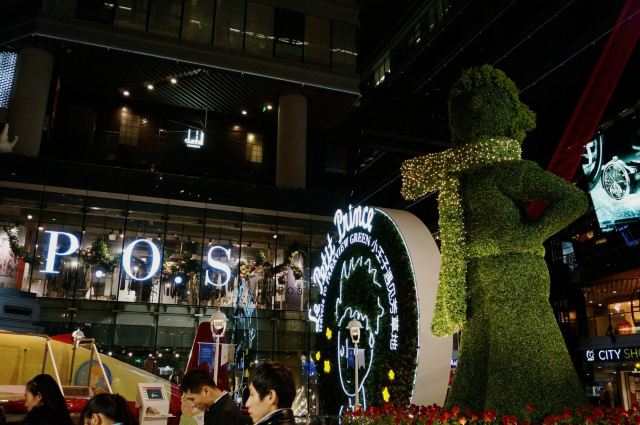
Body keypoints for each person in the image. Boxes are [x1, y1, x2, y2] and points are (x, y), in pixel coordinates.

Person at [179, 368, 245, 425]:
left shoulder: (227, 413)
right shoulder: (215, 407)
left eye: (192, 399)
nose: (193, 405)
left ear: (206, 391)